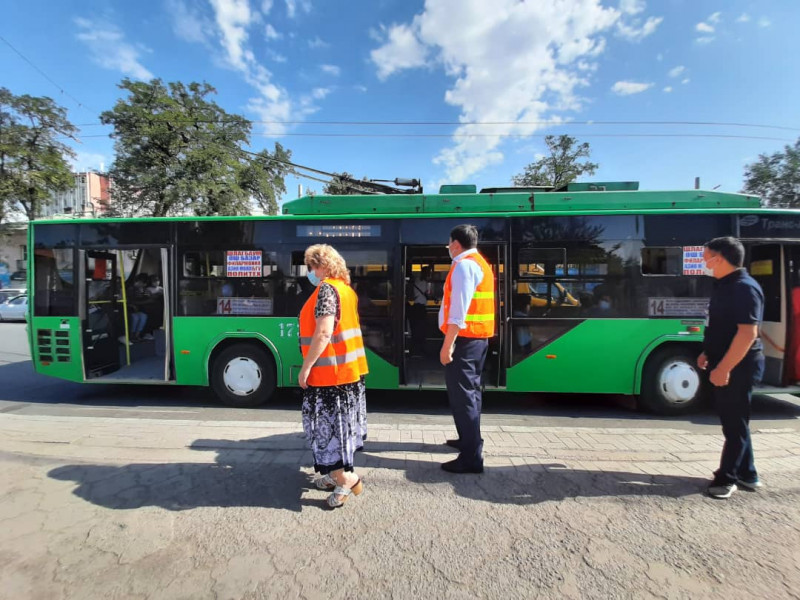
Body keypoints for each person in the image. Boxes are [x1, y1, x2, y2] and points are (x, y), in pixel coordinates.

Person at [298, 244, 369, 508]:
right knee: (341, 430)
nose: (310, 272)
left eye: (311, 266)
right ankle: (336, 474)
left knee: (328, 431)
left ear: (322, 266)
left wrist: (306, 367)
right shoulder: (346, 289)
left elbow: (324, 332)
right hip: (347, 374)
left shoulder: (327, 290)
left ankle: (346, 479)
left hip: (330, 377)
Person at [697, 236, 765, 499]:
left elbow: (747, 334)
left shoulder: (744, 288)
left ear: (719, 259)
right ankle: (748, 473)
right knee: (736, 421)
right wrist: (707, 352)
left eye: (706, 258)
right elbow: (720, 326)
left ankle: (727, 478)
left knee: (734, 425)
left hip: (739, 366)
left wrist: (724, 368)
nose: (704, 263)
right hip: (725, 360)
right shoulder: (725, 285)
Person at [439, 224, 495, 474]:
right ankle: (469, 439)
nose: (448, 247)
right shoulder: (478, 263)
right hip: (476, 339)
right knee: (470, 394)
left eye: (449, 243)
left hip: (465, 340)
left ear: (456, 244)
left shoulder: (464, 266)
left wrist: (447, 345)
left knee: (463, 397)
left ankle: (471, 457)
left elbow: (458, 312)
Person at [408, 266, 433, 355]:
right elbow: (428, 294)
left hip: (414, 308)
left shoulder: (417, 281)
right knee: (422, 329)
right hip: (421, 308)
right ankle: (420, 350)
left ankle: (413, 350)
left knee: (415, 330)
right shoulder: (425, 283)